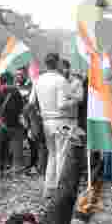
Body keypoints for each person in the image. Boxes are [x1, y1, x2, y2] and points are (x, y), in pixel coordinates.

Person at [34, 53, 82, 193]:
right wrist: (76, 99)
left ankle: (49, 186)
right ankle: (61, 188)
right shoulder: (60, 80)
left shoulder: (38, 80)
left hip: (45, 121)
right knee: (63, 154)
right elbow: (62, 104)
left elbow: (32, 101)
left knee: (52, 154)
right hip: (62, 121)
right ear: (58, 63)